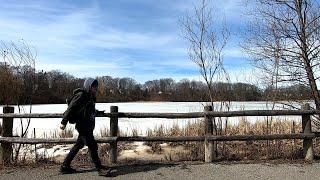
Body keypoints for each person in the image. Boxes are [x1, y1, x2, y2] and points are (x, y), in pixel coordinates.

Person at [59, 78, 111, 176]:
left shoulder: (90, 96)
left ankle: (64, 166)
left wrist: (98, 112)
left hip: (88, 126)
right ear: (88, 86)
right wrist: (64, 122)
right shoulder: (81, 95)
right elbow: (71, 108)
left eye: (96, 87)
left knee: (78, 145)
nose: (95, 89)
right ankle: (99, 169)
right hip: (83, 126)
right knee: (92, 146)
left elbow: (90, 110)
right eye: (93, 86)